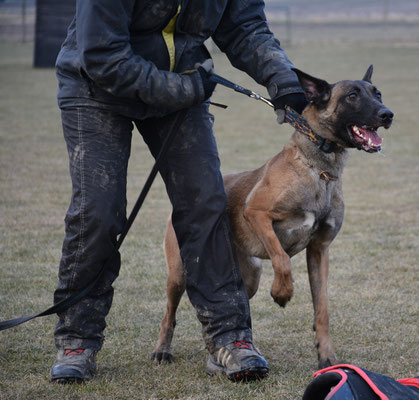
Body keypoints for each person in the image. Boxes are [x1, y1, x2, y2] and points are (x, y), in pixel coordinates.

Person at [50, 0, 308, 384]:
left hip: (184, 83)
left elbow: (244, 26)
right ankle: (77, 340)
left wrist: (283, 78)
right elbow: (103, 55)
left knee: (205, 204)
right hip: (97, 85)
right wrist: (184, 86)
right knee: (97, 213)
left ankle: (229, 339)